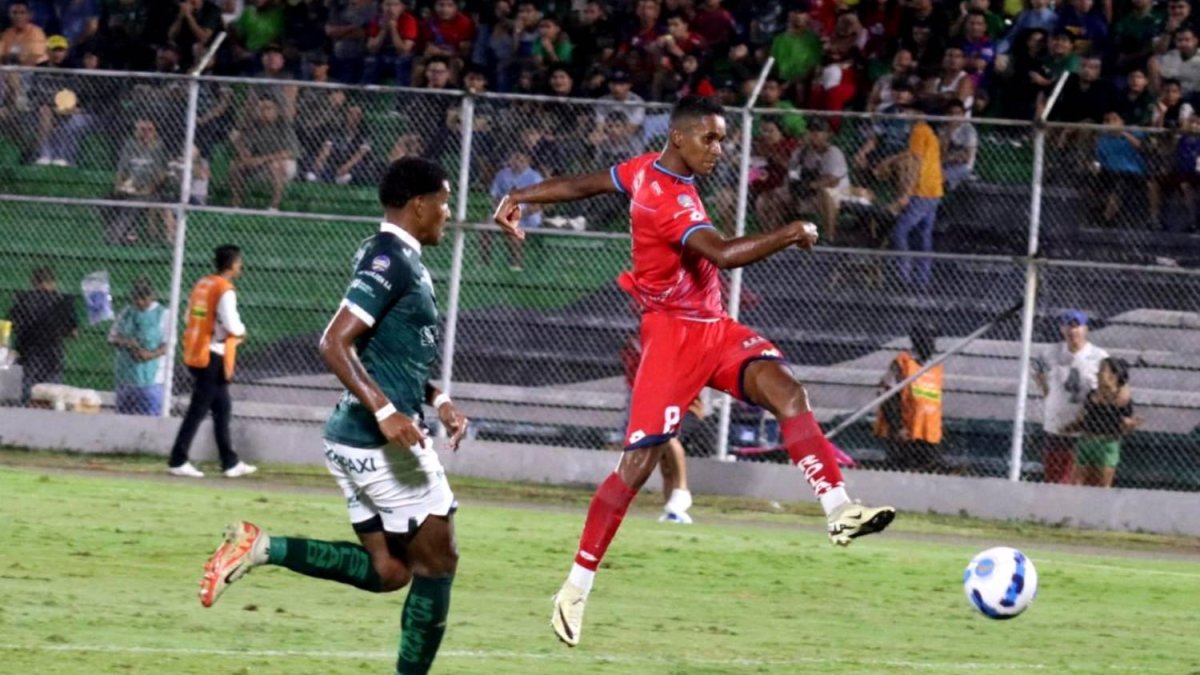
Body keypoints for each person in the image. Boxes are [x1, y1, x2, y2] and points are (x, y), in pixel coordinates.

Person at [492, 95, 895, 648]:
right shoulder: (667, 200)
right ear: (678, 138)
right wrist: (790, 232)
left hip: (711, 326)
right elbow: (724, 254)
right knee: (636, 466)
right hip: (672, 337)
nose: (718, 148)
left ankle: (838, 508)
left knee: (789, 393)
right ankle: (575, 587)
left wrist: (519, 196)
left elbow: (584, 183)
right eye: (709, 138)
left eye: (723, 138)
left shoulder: (642, 172)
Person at [198, 158, 469, 675]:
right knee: (439, 564)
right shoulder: (392, 260)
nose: (448, 213)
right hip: (380, 441)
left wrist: (438, 400)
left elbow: (389, 353)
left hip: (351, 436)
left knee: (389, 571)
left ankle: (261, 547)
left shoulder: (383, 252)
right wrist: (388, 412)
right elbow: (333, 342)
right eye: (444, 201)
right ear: (420, 205)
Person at [168, 245, 256, 479]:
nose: (241, 265)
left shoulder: (203, 284)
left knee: (222, 408)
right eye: (239, 261)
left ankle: (230, 461)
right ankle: (178, 459)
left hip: (198, 351)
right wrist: (241, 331)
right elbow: (230, 321)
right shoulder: (224, 289)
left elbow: (189, 316)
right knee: (197, 410)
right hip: (213, 355)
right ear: (233, 264)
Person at [1032, 309, 1109, 485]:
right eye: (1068, 326)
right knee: (1055, 475)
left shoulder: (1099, 356)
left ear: (1086, 329)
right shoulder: (1050, 352)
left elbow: (1107, 385)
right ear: (1061, 329)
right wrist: (1048, 393)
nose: (1072, 331)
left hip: (1086, 424)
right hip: (1057, 423)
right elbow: (1037, 372)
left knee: (1081, 474)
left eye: (1077, 326)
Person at [873, 323, 944, 472]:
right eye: (927, 339)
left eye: (933, 339)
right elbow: (887, 394)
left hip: (929, 433)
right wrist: (897, 426)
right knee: (901, 471)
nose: (931, 344)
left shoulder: (935, 367)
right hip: (906, 433)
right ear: (916, 340)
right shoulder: (903, 362)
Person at [1061, 357, 1142, 488]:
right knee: (1077, 485)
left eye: (1102, 370)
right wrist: (1069, 427)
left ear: (1113, 376)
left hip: (1107, 444)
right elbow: (1083, 419)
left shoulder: (1123, 400)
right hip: (1086, 441)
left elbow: (1123, 426)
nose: (1098, 374)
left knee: (1102, 487)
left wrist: (1129, 425)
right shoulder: (1092, 395)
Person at [6, 266, 77, 403]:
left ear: (33, 283)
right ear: (53, 283)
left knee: (26, 395)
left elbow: (12, 326)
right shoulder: (63, 300)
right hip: (52, 355)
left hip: (26, 354)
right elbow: (73, 333)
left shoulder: (23, 299)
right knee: (52, 396)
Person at [107, 278, 168, 416]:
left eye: (143, 299)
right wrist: (127, 342)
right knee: (122, 420)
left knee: (150, 420)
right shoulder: (127, 312)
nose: (139, 302)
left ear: (151, 296)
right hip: (125, 378)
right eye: (136, 298)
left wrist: (150, 355)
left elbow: (169, 345)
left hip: (151, 381)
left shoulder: (163, 314)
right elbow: (111, 338)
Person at [487, 149, 543, 270]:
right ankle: (484, 263)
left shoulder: (535, 177)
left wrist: (514, 215)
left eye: (521, 160)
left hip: (528, 216)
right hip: (504, 213)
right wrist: (500, 211)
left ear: (528, 161)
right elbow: (495, 198)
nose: (517, 162)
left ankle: (516, 264)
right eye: (514, 159)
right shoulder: (502, 174)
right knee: (485, 227)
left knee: (512, 228)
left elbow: (537, 206)